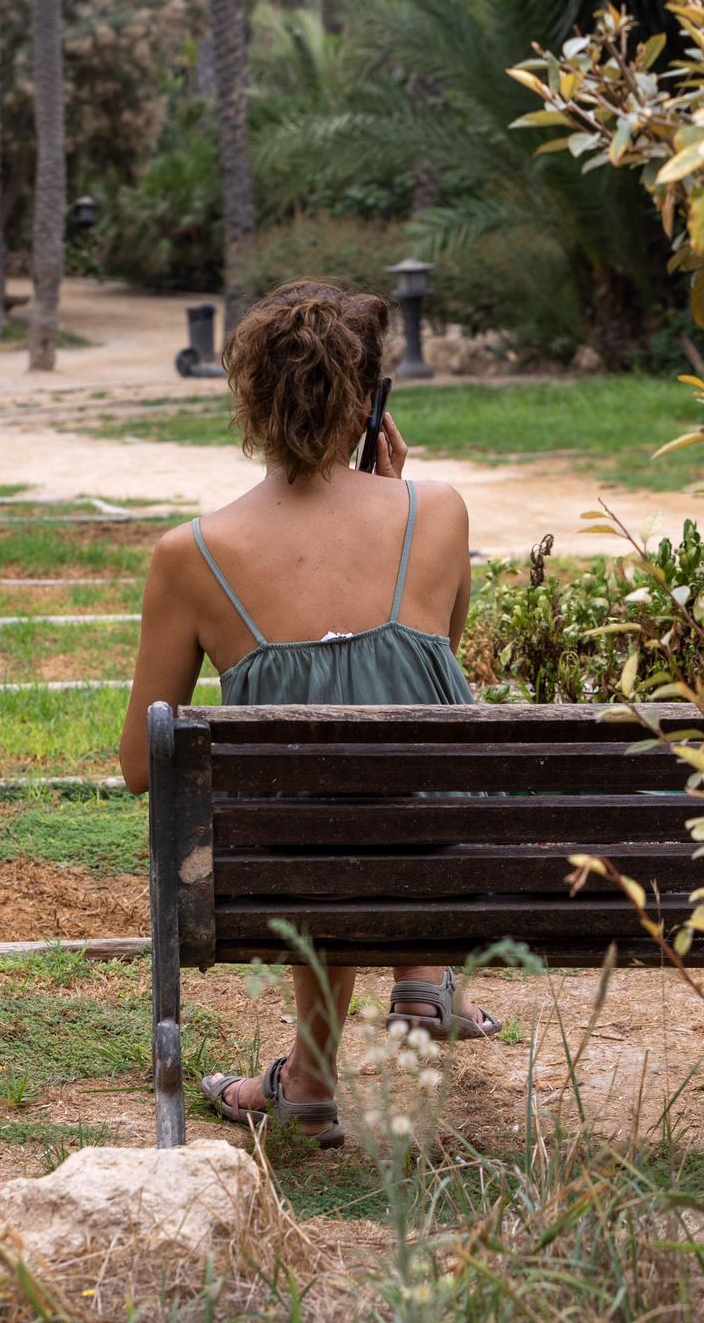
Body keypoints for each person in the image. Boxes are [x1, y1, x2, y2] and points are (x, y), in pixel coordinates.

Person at [118, 279, 499, 1148]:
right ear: (369, 403)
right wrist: (394, 500)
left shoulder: (190, 555)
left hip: (287, 879)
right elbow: (440, 662)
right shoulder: (436, 513)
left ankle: (312, 1077)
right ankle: (423, 969)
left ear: (249, 402)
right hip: (440, 866)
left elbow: (143, 766)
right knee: (387, 787)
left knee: (316, 818)